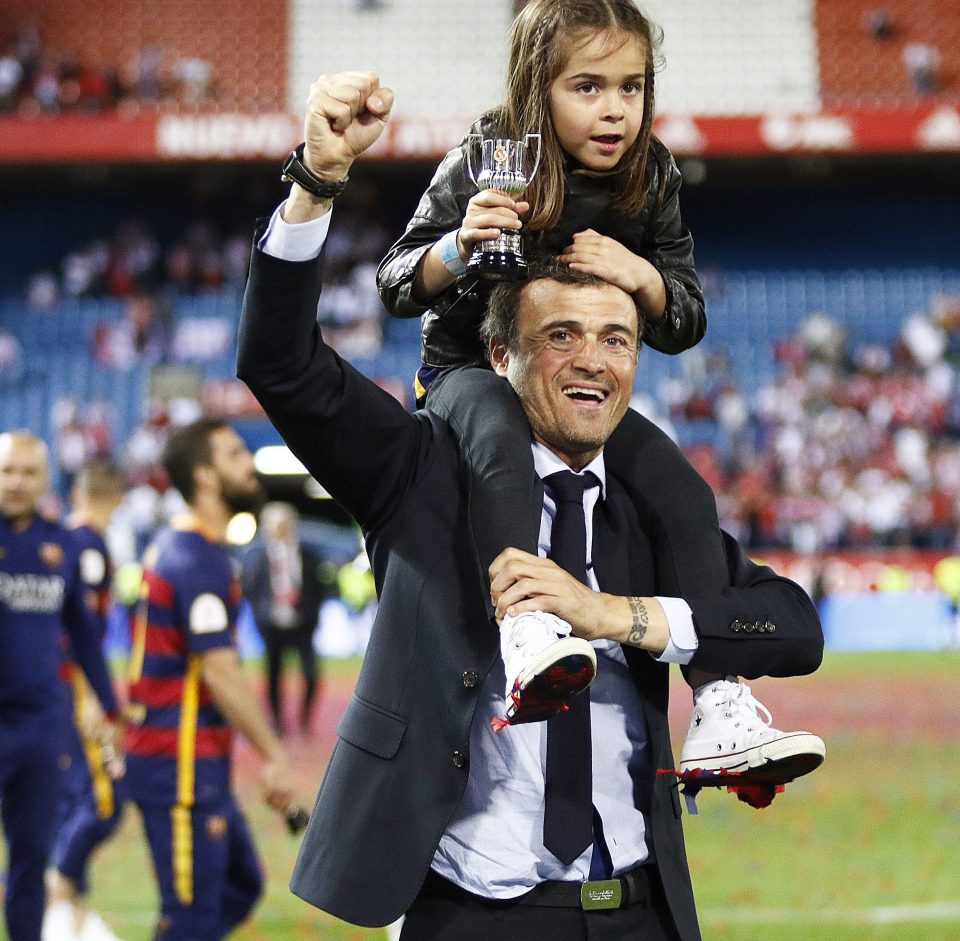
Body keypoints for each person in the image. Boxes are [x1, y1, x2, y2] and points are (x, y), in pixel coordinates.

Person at [237, 70, 825, 940]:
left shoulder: (645, 506)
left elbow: (793, 627)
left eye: (616, 339)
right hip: (471, 913)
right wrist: (316, 181)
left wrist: (619, 616)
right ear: (502, 355)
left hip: (639, 910)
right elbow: (282, 364)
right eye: (562, 335)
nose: (593, 360)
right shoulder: (422, 472)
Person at [376, 0, 822, 780]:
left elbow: (682, 320)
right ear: (534, 89)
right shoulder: (488, 155)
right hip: (470, 374)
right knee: (498, 437)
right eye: (587, 86)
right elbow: (395, 285)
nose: (615, 108)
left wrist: (641, 274)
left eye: (632, 86)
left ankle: (718, 701)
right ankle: (526, 634)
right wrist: (457, 244)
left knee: (680, 486)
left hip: (575, 392)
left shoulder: (652, 174)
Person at [123, 418, 298, 940]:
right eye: (235, 455)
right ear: (204, 476)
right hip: (178, 770)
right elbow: (220, 672)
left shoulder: (187, 548)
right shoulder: (196, 559)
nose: (249, 465)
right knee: (192, 918)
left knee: (240, 886)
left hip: (196, 765)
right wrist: (275, 756)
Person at [0, 432, 121, 941]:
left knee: (31, 860)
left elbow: (85, 636)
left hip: (41, 726)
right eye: (8, 470)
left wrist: (111, 707)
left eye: (29, 472)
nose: (17, 482)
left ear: (47, 480)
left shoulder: (63, 545)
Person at [44, 459, 128, 941]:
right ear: (113, 499)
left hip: (47, 691)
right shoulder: (89, 547)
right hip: (71, 691)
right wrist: (88, 697)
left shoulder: (58, 541)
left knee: (72, 799)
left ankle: (69, 912)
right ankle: (57, 896)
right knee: (103, 800)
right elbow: (78, 632)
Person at [241, 501, 329, 736]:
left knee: (311, 673)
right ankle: (278, 723)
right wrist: (262, 616)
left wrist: (311, 613)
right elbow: (250, 588)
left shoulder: (308, 555)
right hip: (272, 626)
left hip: (302, 625)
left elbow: (319, 588)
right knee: (272, 676)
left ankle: (304, 720)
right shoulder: (258, 556)